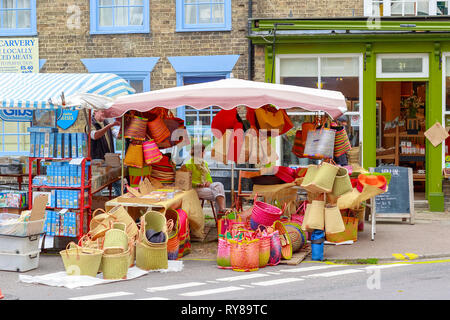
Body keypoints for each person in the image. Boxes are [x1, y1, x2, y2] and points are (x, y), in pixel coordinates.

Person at [183, 143, 228, 215]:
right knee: (219, 194)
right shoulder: (188, 164)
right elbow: (186, 181)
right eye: (203, 151)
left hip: (206, 188)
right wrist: (197, 184)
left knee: (219, 185)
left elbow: (209, 178)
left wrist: (208, 182)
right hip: (194, 189)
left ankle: (221, 210)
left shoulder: (204, 164)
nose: (204, 153)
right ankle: (221, 214)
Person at [90, 109, 122, 195]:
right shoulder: (91, 123)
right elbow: (95, 135)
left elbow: (117, 135)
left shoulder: (106, 122)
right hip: (97, 160)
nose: (104, 114)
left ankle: (120, 202)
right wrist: (110, 125)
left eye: (105, 112)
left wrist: (124, 128)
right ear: (95, 111)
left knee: (117, 181)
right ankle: (97, 204)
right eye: (102, 112)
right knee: (98, 185)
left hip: (108, 158)